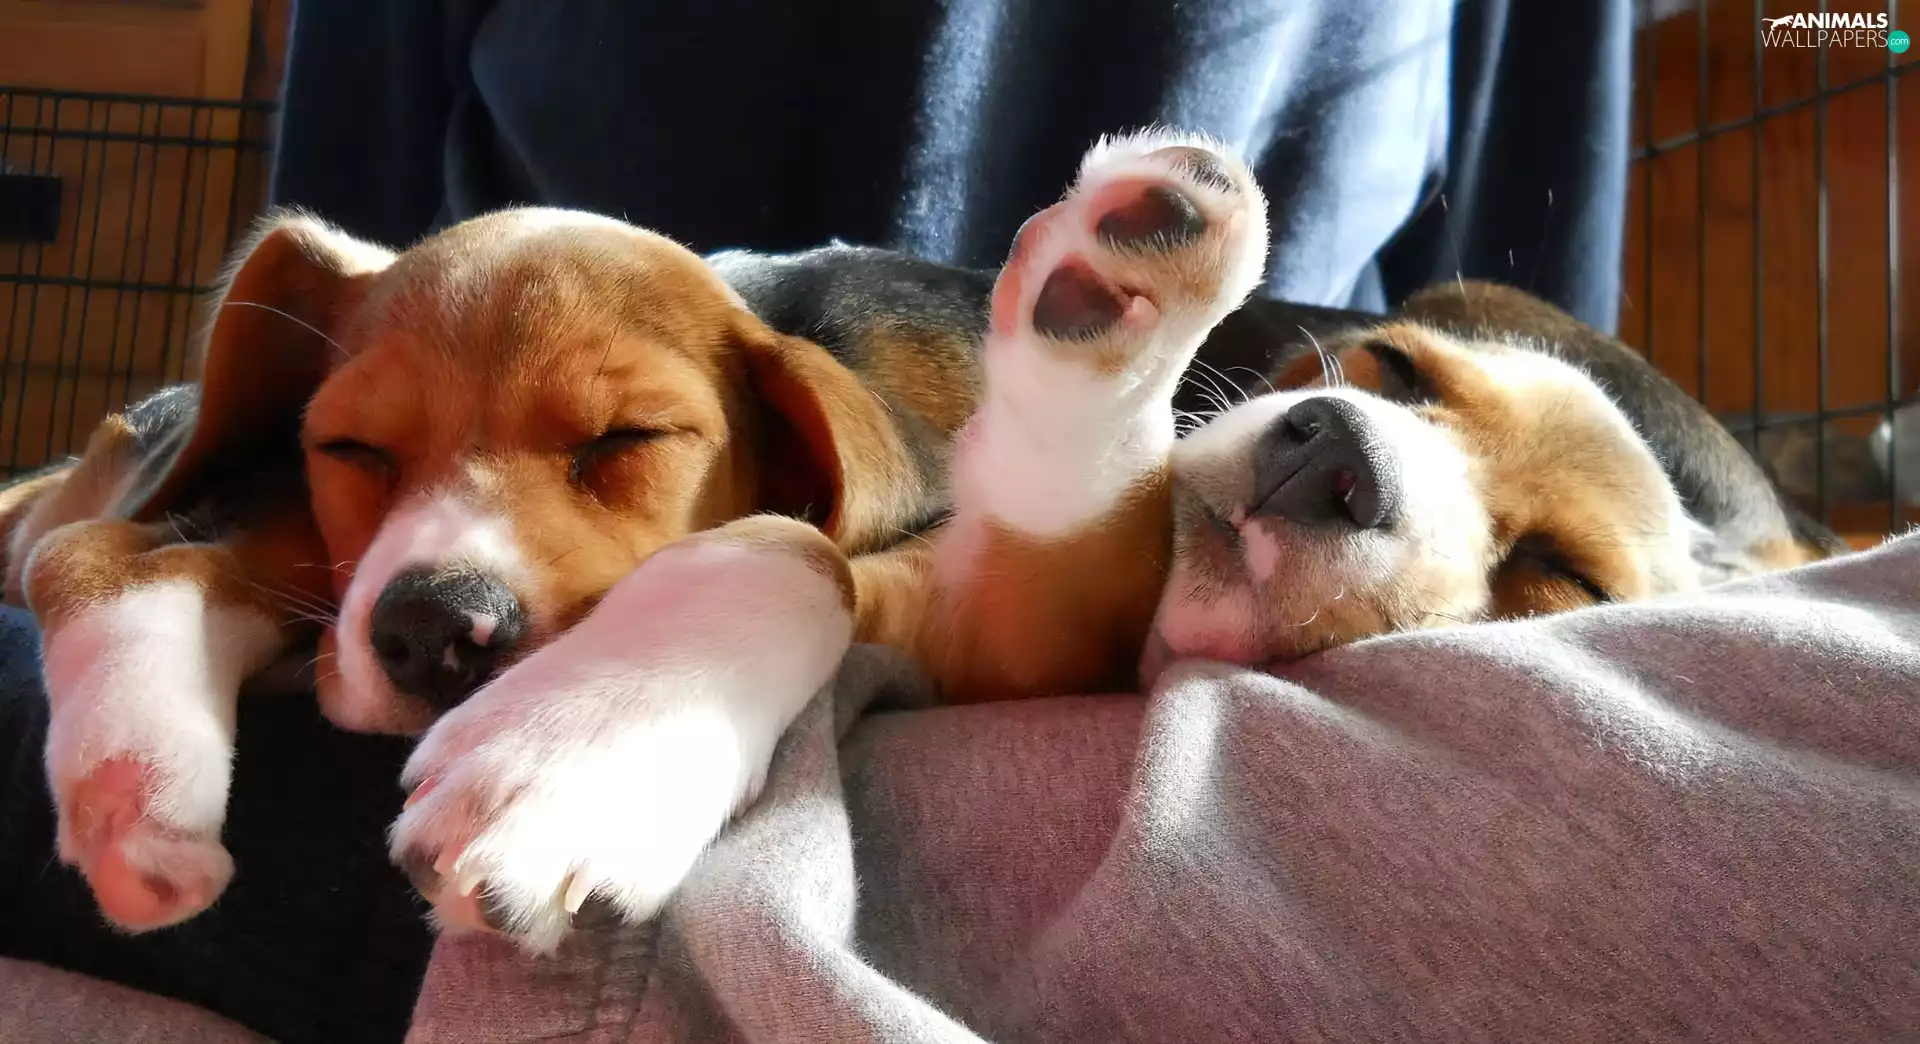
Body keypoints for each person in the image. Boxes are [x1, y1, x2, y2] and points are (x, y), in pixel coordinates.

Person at [0, 2, 1633, 1042]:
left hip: (995, 399)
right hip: (653, 316)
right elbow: (328, 390)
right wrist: (166, 561)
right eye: (1405, 386)